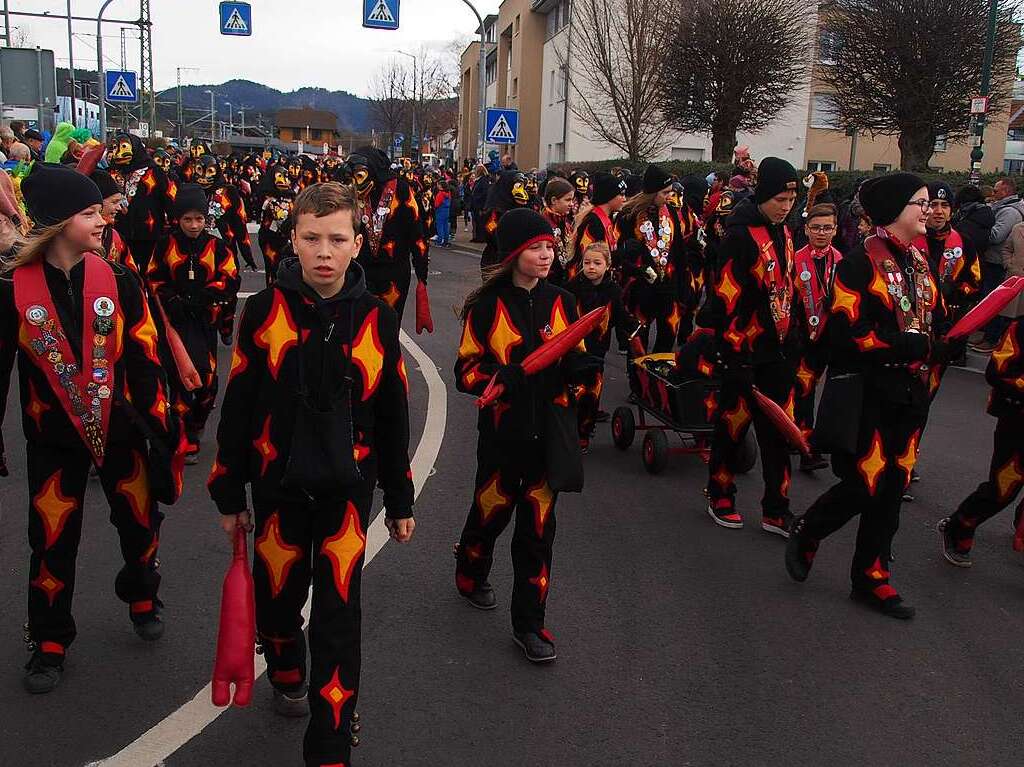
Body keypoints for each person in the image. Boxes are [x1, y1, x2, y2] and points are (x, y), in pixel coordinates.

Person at [209, 182, 415, 767]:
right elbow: (241, 403)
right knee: (277, 606)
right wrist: (229, 490)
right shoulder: (263, 311)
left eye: (337, 239)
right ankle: (285, 665)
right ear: (292, 240)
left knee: (338, 613)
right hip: (276, 490)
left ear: (357, 244)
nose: (324, 250)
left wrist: (399, 499)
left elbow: (394, 412)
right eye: (311, 238)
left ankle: (330, 737)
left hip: (349, 495)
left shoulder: (377, 316)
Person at [0, 163, 179, 693]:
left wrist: (159, 426)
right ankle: (50, 640)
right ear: (56, 223)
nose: (102, 220)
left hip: (121, 431)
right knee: (52, 539)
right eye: (88, 212)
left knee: (139, 522)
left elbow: (146, 355)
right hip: (53, 441)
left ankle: (143, 592)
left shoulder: (119, 279)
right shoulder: (12, 289)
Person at [786, 173, 952, 619]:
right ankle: (810, 530)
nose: (928, 209)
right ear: (895, 210)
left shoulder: (918, 260)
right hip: (869, 392)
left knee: (893, 488)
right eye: (919, 202)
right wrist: (913, 346)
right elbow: (845, 334)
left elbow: (927, 317)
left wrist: (943, 340)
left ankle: (872, 576)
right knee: (865, 483)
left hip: (910, 393)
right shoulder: (859, 262)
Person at [453, 207, 593, 664]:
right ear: (514, 253)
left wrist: (579, 375)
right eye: (536, 247)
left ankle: (529, 624)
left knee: (537, 534)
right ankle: (471, 570)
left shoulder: (564, 301)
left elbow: (578, 356)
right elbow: (466, 371)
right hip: (502, 437)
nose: (546, 254)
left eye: (551, 246)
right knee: (490, 514)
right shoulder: (487, 307)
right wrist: (502, 379)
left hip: (547, 439)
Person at [703, 157, 800, 536]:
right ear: (762, 196)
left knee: (778, 431)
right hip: (742, 351)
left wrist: (793, 340)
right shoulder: (739, 235)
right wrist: (733, 353)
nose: (786, 205)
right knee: (733, 426)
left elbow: (786, 287)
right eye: (779, 198)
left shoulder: (786, 232)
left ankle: (777, 507)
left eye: (791, 198)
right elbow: (727, 297)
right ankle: (720, 492)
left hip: (777, 350)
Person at [148, 184, 239, 463]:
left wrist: (205, 297)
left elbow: (230, 279)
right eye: (187, 219)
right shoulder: (165, 245)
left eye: (199, 219)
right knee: (177, 379)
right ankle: (182, 435)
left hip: (203, 322)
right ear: (178, 218)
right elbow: (153, 277)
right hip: (174, 324)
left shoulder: (217, 246)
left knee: (207, 379)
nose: (193, 225)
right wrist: (172, 299)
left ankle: (197, 426)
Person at [938, 316, 1024, 566]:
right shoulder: (1020, 327)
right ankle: (960, 525)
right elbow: (999, 371)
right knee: (1003, 488)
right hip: (1018, 420)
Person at [567, 240, 641, 451]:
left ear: (607, 265)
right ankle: (566, 430)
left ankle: (584, 433)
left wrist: (633, 327)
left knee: (592, 392)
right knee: (572, 391)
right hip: (574, 349)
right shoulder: (572, 288)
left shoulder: (613, 290)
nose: (591, 267)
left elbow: (619, 314)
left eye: (597, 263)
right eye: (587, 262)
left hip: (598, 349)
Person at [347, 146, 430, 322]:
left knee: (389, 324)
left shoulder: (401, 190)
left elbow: (417, 233)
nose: (355, 183)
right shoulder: (355, 194)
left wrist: (422, 275)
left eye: (359, 175)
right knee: (361, 325)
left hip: (394, 273)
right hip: (362, 270)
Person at [616, 165, 692, 354]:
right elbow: (618, 254)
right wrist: (635, 266)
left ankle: (659, 380)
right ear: (652, 192)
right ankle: (638, 379)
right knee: (639, 341)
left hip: (669, 286)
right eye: (665, 192)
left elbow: (680, 251)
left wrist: (684, 286)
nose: (669, 197)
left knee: (667, 338)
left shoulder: (672, 212)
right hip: (642, 288)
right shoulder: (628, 216)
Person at [914, 181, 981, 380]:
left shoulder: (964, 242)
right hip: (913, 321)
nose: (939, 211)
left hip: (946, 324)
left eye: (945, 205)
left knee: (932, 383)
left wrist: (955, 290)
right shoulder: (910, 238)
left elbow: (975, 283)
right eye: (933, 204)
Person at [793, 203, 842, 473]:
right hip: (801, 337)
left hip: (831, 337)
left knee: (831, 395)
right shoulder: (795, 259)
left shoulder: (843, 261)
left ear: (835, 230)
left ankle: (818, 442)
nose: (821, 233)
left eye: (827, 228)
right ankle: (806, 448)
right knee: (803, 392)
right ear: (806, 229)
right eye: (816, 228)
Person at [107, 132, 173, 275]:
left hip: (149, 236)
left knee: (148, 273)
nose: (118, 152)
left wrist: (174, 228)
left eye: (123, 147)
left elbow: (171, 199)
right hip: (117, 235)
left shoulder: (154, 172)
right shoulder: (109, 173)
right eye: (114, 147)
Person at [973, 178, 1024, 353]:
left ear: (1006, 191)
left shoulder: (1009, 212)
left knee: (997, 303)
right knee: (991, 301)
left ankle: (994, 338)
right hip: (1005, 266)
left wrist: (978, 229)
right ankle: (990, 336)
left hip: (999, 266)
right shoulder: (1008, 214)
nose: (993, 194)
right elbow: (1008, 247)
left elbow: (996, 236)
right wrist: (1009, 262)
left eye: (996, 191)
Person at [570, 172, 627, 283]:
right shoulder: (594, 222)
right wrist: (623, 251)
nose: (624, 199)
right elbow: (589, 259)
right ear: (609, 197)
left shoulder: (606, 218)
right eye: (621, 194)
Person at [479, 171, 533, 270]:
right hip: (497, 260)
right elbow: (490, 233)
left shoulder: (522, 205)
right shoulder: (495, 210)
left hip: (520, 260)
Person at [257, 163, 297, 286]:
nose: (284, 181)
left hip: (286, 240)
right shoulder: (270, 201)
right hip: (271, 240)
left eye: (286, 177)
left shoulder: (291, 198)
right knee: (273, 269)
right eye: (280, 177)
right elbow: (281, 221)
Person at [541, 177, 577, 286]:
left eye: (572, 200)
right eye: (567, 200)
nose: (571, 204)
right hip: (549, 281)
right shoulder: (543, 223)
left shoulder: (566, 222)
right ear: (553, 200)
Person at [434, 180, 451, 248]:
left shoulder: (440, 194)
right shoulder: (448, 193)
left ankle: (440, 241)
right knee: (445, 226)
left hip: (440, 211)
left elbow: (436, 204)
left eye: (438, 185)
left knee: (440, 226)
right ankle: (445, 241)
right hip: (446, 210)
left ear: (441, 186)